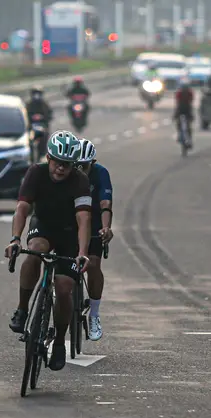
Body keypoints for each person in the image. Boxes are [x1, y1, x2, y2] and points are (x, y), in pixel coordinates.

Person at [4, 130, 92, 371]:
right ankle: (22, 309)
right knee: (34, 250)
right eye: (56, 162)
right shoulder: (36, 173)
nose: (60, 169)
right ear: (48, 158)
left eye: (66, 165)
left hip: (68, 232)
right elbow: (22, 208)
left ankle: (60, 342)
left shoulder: (80, 181)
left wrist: (83, 252)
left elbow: (83, 218)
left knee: (64, 287)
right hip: (42, 226)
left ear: (73, 166)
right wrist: (15, 239)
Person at [74, 138, 113, 341]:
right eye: (76, 165)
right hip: (70, 219)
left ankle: (94, 313)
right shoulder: (65, 173)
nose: (80, 170)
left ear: (93, 163)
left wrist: (106, 227)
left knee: (94, 263)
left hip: (94, 219)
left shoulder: (100, 174)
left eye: (85, 166)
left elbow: (106, 203)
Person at [25, 85, 53, 158]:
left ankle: (43, 151)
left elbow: (49, 114)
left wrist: (44, 118)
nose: (36, 96)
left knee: (45, 136)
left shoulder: (45, 104)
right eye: (35, 94)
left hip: (42, 125)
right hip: (31, 126)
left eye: (38, 94)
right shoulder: (28, 105)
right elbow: (25, 115)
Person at [174, 79, 194, 145]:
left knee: (182, 123)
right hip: (185, 108)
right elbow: (191, 101)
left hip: (183, 108)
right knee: (185, 124)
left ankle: (184, 136)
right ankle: (186, 137)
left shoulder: (180, 92)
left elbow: (177, 102)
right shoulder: (189, 92)